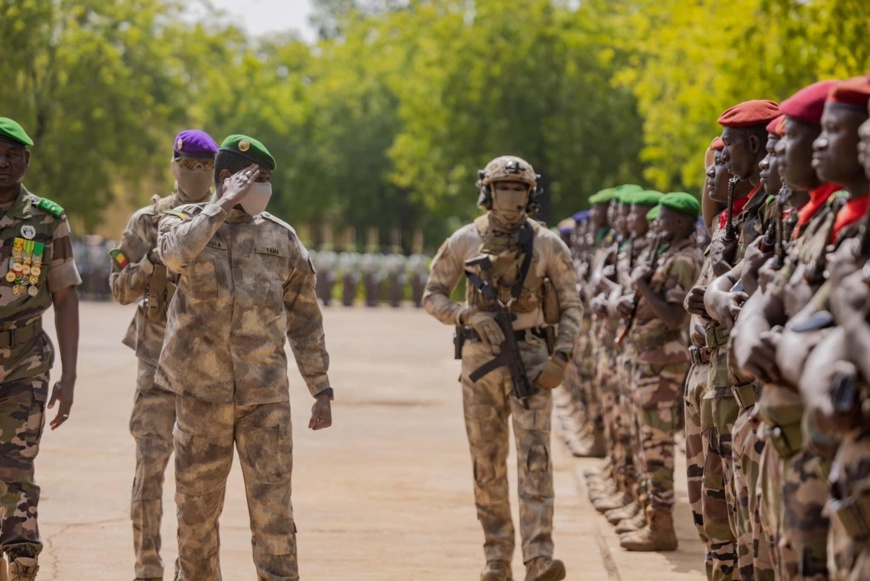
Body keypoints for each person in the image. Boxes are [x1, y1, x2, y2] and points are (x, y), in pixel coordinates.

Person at [155, 134, 334, 580]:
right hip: (201, 397)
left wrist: (321, 387)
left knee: (274, 518)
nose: (264, 187)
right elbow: (173, 255)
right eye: (256, 178)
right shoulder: (182, 222)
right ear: (225, 177)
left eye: (268, 179)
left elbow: (306, 317)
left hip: (264, 401)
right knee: (195, 520)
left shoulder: (280, 237)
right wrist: (219, 207)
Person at [423, 155, 581, 581]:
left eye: (519, 188)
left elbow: (571, 304)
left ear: (531, 194)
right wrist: (468, 316)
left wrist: (561, 358)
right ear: (487, 191)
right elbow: (432, 295)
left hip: (532, 361)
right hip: (480, 363)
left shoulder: (548, 244)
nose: (511, 196)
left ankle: (538, 557)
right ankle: (496, 557)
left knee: (535, 460)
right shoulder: (464, 241)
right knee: (487, 461)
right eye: (503, 187)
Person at [108, 129, 219, 581]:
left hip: (206, 371)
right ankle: (147, 566)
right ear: (173, 165)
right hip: (155, 366)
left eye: (204, 167)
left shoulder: (224, 219)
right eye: (187, 165)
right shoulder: (145, 222)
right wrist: (152, 262)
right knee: (150, 469)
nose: (194, 174)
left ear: (215, 172)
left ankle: (189, 569)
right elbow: (117, 288)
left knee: (200, 481)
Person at [0, 117, 81, 580]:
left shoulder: (46, 219)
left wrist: (69, 378)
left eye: (13, 154)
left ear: (27, 161)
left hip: (25, 362)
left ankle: (23, 557)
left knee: (15, 465)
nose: (3, 162)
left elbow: (65, 297)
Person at [617, 192, 703, 551]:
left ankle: (662, 527)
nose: (656, 222)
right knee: (647, 443)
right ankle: (650, 513)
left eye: (663, 217)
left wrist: (640, 286)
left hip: (664, 367)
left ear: (682, 222)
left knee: (658, 448)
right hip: (650, 362)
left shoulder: (684, 260)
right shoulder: (668, 254)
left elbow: (673, 317)